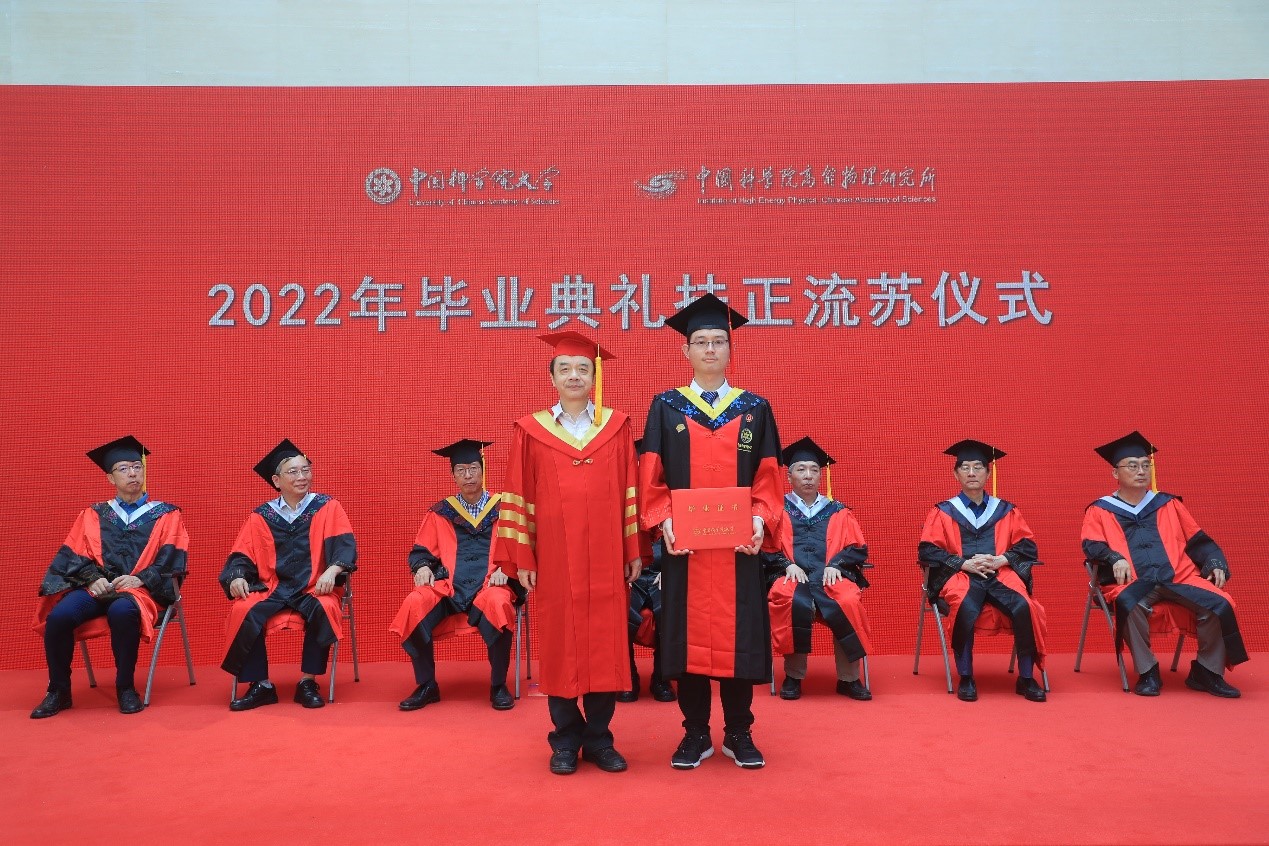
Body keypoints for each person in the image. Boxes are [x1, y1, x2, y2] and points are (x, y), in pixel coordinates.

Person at [639, 294, 782, 770]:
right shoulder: (666, 407)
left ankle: (739, 732)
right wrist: (665, 519)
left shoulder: (755, 409)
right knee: (687, 637)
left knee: (740, 637)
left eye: (718, 341)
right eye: (700, 341)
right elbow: (651, 475)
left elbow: (768, 475)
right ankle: (695, 733)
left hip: (740, 546)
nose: (710, 349)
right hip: (688, 549)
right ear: (686, 350)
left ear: (730, 349)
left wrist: (760, 518)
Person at [493, 331, 641, 775]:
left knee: (604, 646)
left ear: (594, 377)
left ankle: (598, 739)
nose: (574, 376)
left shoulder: (616, 427)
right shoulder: (530, 431)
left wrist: (633, 549)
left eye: (582, 369)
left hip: (607, 557)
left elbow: (630, 491)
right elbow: (518, 495)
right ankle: (564, 739)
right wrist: (523, 558)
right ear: (552, 378)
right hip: (555, 559)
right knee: (560, 647)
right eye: (565, 369)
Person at [31, 436, 189, 718]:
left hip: (140, 591)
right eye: (124, 468)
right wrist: (92, 578)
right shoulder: (93, 514)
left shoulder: (167, 514)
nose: (133, 473)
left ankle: (125, 687)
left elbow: (172, 560)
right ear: (110, 478)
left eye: (137, 467)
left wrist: (140, 579)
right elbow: (74, 556)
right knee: (60, 617)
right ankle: (58, 691)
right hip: (97, 587)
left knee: (122, 611)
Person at [1081, 431, 1247, 697]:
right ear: (1115, 473)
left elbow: (1198, 539)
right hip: (1134, 581)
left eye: (1145, 465)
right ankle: (1148, 670)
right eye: (1132, 465)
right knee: (1127, 603)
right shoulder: (1099, 510)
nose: (1141, 471)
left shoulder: (1168, 504)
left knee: (1221, 603)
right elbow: (1092, 545)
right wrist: (1114, 557)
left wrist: (1215, 561)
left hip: (1179, 577)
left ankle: (1207, 671)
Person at [220, 439, 357, 711]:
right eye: (293, 471)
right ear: (276, 480)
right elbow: (241, 555)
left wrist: (332, 570)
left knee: (325, 606)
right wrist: (236, 576)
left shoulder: (328, 507)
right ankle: (260, 685)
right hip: (272, 588)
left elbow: (345, 546)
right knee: (243, 609)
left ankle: (308, 682)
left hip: (313, 587)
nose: (302, 476)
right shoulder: (261, 516)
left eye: (306, 470)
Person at [389, 438, 521, 711]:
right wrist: (422, 567)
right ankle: (427, 685)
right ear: (453, 475)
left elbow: (522, 548)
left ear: (483, 470)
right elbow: (421, 551)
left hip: (490, 586)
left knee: (498, 603)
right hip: (449, 588)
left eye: (473, 468)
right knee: (414, 603)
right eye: (461, 470)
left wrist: (506, 570)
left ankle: (498, 685)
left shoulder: (505, 509)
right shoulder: (440, 513)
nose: (468, 475)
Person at [918, 440, 1047, 703]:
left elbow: (1027, 546)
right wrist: (962, 563)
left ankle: (1026, 677)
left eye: (978, 467)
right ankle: (966, 675)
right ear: (956, 474)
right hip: (960, 575)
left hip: (1001, 572)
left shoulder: (1006, 510)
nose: (972, 473)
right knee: (964, 605)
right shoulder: (943, 511)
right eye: (965, 467)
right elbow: (927, 550)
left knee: (1025, 605)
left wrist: (1001, 559)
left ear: (988, 473)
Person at [765, 437, 872, 702]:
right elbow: (763, 548)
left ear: (821, 476)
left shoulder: (837, 511)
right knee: (790, 599)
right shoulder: (776, 510)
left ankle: (849, 679)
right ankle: (793, 675)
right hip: (792, 577)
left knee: (847, 599)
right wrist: (786, 564)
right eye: (801, 469)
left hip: (829, 578)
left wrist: (836, 564)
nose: (808, 476)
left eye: (814, 470)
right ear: (789, 476)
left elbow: (857, 548)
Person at [619, 441, 676, 704]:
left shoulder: (673, 500)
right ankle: (627, 676)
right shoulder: (620, 501)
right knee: (619, 610)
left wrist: (672, 571)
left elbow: (687, 542)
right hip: (630, 576)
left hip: (663, 575)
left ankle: (661, 678)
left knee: (669, 609)